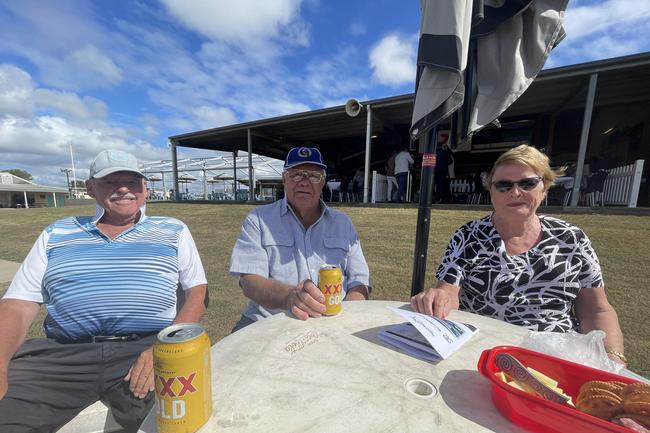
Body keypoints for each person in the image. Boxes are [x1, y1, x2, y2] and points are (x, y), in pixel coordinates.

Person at [0, 149, 208, 432]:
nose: (124, 189)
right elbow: (19, 303)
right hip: (65, 354)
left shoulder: (173, 230)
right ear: (90, 189)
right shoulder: (56, 233)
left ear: (145, 189)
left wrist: (163, 348)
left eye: (132, 182)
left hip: (145, 348)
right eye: (111, 181)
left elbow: (197, 291)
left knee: (181, 421)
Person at [411, 144, 626, 365]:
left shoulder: (572, 239)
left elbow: (595, 310)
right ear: (491, 191)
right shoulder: (468, 236)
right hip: (483, 353)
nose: (515, 192)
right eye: (503, 185)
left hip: (557, 356)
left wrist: (613, 361)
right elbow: (448, 292)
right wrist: (438, 297)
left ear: (545, 187)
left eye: (527, 183)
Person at [229, 146, 371, 331]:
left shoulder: (343, 224)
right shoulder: (258, 219)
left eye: (313, 176)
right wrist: (289, 296)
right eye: (296, 174)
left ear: (323, 182)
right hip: (267, 322)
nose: (304, 182)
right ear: (284, 179)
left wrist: (345, 320)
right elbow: (249, 282)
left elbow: (360, 281)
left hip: (332, 323)